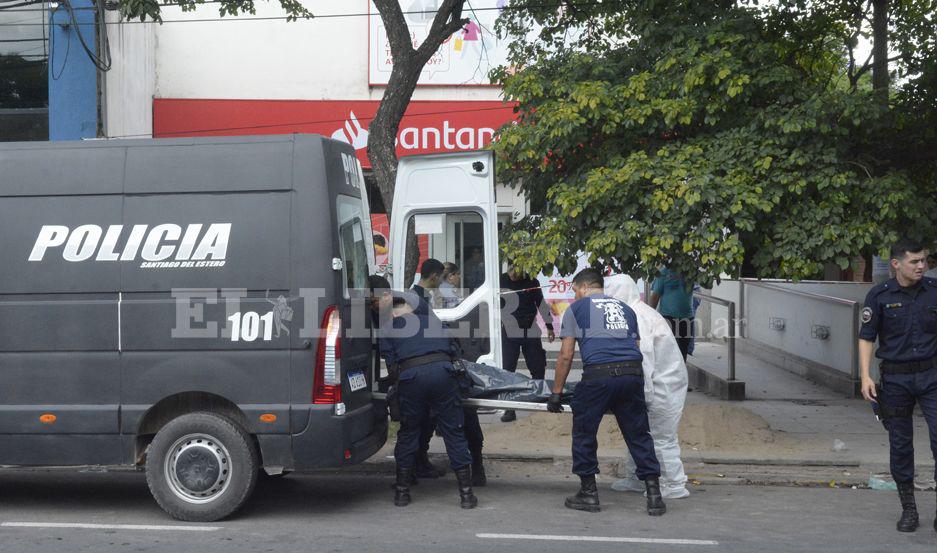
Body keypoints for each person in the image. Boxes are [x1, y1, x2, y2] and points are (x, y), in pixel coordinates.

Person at [547, 268, 666, 516]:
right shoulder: (626, 309)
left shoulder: (576, 310)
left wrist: (556, 393)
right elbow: (634, 347)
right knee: (639, 434)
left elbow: (566, 354)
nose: (575, 296)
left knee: (584, 432)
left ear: (581, 288)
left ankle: (589, 493)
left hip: (598, 377)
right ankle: (654, 495)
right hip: (632, 374)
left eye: (575, 291)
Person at [370, 275, 478, 509]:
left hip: (412, 377)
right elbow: (454, 351)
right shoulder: (433, 321)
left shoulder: (388, 328)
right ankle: (466, 495)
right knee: (453, 433)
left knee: (409, 432)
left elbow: (392, 366)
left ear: (397, 312)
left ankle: (401, 493)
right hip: (443, 373)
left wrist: (402, 388)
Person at [859, 239, 937, 533]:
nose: (922, 266)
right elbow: (867, 336)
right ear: (896, 264)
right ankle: (909, 510)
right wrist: (866, 376)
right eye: (915, 261)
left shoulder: (934, 293)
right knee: (901, 446)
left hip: (932, 377)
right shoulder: (879, 295)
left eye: (924, 261)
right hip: (895, 380)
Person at [605, 275, 690, 499]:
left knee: (661, 438)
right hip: (660, 383)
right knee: (639, 433)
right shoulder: (637, 312)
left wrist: (644, 395)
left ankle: (674, 485)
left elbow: (644, 358)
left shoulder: (637, 316)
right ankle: (636, 478)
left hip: (662, 386)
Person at [412, 259, 487, 486]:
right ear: (435, 276)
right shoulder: (418, 299)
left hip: (444, 360)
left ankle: (475, 465)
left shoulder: (430, 296)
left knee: (463, 416)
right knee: (429, 420)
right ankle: (422, 464)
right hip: (434, 361)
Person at [499, 265, 555, 422]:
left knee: (537, 367)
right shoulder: (500, 280)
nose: (513, 275)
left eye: (516, 272)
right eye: (510, 271)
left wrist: (550, 327)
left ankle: (540, 401)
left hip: (530, 329)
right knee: (508, 369)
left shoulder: (532, 281)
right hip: (509, 330)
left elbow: (541, 304)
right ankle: (509, 409)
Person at [648, 267, 695, 360]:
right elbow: (655, 296)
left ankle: (681, 374)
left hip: (687, 317)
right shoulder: (663, 272)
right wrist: (650, 316)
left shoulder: (690, 271)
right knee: (667, 351)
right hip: (668, 318)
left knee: (683, 352)